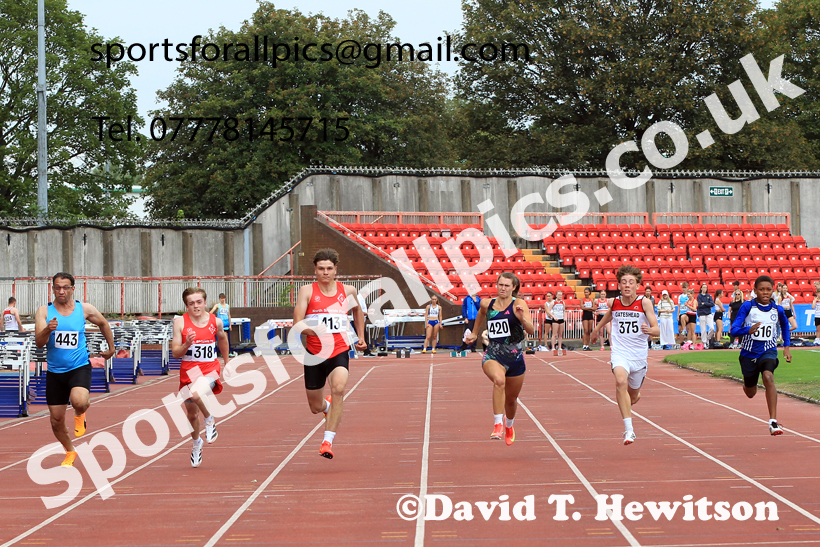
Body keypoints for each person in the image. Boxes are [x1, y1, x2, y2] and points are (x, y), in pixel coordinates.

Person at [34, 272, 116, 467]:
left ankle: (80, 413)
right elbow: (39, 343)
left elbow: (103, 323)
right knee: (56, 420)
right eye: (57, 287)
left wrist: (111, 348)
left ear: (72, 289)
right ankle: (70, 451)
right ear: (52, 288)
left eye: (65, 287)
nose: (61, 291)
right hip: (55, 372)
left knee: (79, 401)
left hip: (78, 366)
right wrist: (47, 329)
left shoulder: (84, 309)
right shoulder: (44, 311)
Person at [292, 249, 366, 459]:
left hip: (339, 350)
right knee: (315, 407)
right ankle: (327, 406)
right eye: (321, 268)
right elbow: (297, 324)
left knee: (339, 388)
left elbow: (357, 311)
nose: (325, 272)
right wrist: (315, 330)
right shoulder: (307, 291)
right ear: (315, 270)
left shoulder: (347, 291)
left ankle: (327, 441)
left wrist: (360, 336)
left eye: (329, 269)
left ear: (336, 270)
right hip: (314, 354)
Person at [590, 265, 660, 445]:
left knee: (633, 396)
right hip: (620, 353)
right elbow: (609, 315)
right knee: (620, 381)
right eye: (624, 282)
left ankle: (630, 400)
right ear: (619, 285)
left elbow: (657, 330)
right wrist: (597, 329)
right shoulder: (614, 303)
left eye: (631, 282)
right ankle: (629, 430)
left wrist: (649, 330)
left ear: (638, 285)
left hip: (638, 356)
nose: (627, 285)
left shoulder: (644, 302)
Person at [465, 272, 534, 446]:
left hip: (515, 356)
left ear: (514, 288)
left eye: (506, 286)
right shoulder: (488, 304)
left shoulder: (519, 304)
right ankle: (497, 424)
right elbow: (481, 313)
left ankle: (509, 425)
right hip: (493, 353)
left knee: (511, 400)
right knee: (499, 380)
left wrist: (522, 318)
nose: (502, 288)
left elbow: (531, 330)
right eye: (500, 284)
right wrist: (474, 333)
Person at [171, 287, 230, 467]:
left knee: (196, 394)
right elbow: (175, 353)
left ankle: (210, 419)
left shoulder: (216, 321)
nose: (195, 306)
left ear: (205, 303)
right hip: (189, 371)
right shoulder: (180, 322)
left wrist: (226, 362)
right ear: (186, 306)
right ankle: (197, 443)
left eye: (199, 302)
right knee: (191, 415)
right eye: (191, 303)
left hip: (209, 368)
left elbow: (223, 338)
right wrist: (187, 343)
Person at [730, 275, 791, 435]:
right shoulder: (747, 307)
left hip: (768, 350)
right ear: (755, 290)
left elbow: (785, 326)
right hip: (749, 354)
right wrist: (747, 330)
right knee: (750, 392)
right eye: (761, 289)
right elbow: (734, 330)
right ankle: (749, 382)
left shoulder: (777, 309)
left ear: (773, 291)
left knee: (768, 377)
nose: (765, 293)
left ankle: (773, 422)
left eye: (768, 290)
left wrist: (786, 346)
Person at [209, 293, 234, 357]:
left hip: (226, 325)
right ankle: (223, 352)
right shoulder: (217, 305)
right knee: (222, 339)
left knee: (226, 339)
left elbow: (229, 315)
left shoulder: (227, 306)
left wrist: (230, 325)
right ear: (219, 299)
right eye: (221, 298)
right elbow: (211, 312)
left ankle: (227, 352)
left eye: (224, 298)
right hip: (220, 325)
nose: (223, 299)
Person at [697, 283, 715, 349]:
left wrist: (704, 303)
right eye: (703, 287)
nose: (704, 289)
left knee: (712, 328)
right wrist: (707, 304)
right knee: (703, 329)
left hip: (708, 313)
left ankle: (708, 339)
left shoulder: (709, 296)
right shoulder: (699, 296)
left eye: (706, 287)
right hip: (701, 313)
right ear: (701, 288)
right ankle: (704, 342)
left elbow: (712, 304)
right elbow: (700, 305)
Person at [551, 290, 566, 356]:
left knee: (560, 334)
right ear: (556, 295)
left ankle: (559, 347)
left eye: (561, 295)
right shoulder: (553, 302)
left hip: (561, 318)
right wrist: (553, 316)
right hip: (556, 319)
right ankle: (553, 347)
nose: (560, 296)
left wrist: (564, 317)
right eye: (559, 295)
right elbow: (549, 311)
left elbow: (564, 310)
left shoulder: (563, 302)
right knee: (554, 334)